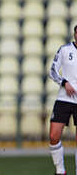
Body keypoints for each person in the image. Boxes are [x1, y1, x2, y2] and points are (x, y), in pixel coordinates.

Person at [49, 25, 77, 175]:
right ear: (74, 34)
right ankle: (60, 171)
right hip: (64, 98)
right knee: (53, 136)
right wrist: (64, 82)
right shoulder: (65, 50)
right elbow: (52, 70)